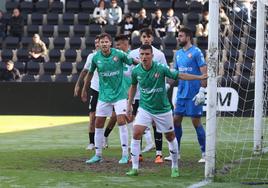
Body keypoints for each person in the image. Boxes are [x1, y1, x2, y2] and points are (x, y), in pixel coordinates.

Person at [126, 44, 208, 177]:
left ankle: (175, 167)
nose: (144, 57)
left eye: (147, 54)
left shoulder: (161, 68)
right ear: (139, 56)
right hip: (145, 108)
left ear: (152, 56)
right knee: (136, 133)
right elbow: (133, 87)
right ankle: (135, 168)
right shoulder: (136, 71)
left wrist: (199, 77)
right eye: (142, 54)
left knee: (170, 136)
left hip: (162, 110)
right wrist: (129, 105)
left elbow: (180, 75)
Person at [81, 33, 138, 164]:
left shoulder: (118, 54)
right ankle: (98, 154)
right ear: (99, 44)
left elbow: (132, 61)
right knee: (98, 123)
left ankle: (125, 155)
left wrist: (145, 67)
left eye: (106, 42)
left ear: (110, 43)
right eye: (102, 42)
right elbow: (89, 74)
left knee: (121, 121)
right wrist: (84, 89)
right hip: (104, 95)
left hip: (119, 95)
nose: (104, 44)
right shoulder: (96, 58)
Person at [164, 27, 207, 163]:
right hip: (181, 93)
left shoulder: (196, 52)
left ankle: (205, 153)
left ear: (188, 37)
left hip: (194, 93)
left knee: (196, 122)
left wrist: (202, 90)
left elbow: (204, 72)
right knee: (176, 120)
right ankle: (176, 153)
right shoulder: (178, 54)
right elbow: (175, 73)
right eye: (178, 36)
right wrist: (168, 85)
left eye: (181, 36)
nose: (178, 38)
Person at [128, 28, 168, 164]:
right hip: (139, 95)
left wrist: (166, 86)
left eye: (149, 36)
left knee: (156, 124)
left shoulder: (159, 54)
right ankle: (137, 154)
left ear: (152, 38)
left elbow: (166, 73)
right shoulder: (133, 53)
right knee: (137, 125)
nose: (146, 38)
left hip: (155, 95)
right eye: (144, 36)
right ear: (140, 38)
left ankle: (159, 154)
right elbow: (129, 74)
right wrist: (130, 98)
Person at [74, 35, 117, 150]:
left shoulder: (114, 55)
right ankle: (92, 142)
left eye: (100, 42)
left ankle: (105, 135)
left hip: (110, 90)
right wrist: (79, 86)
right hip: (96, 88)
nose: (98, 45)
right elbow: (85, 72)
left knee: (115, 116)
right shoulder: (92, 57)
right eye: (96, 43)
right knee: (92, 116)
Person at [103, 34, 135, 151]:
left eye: (118, 45)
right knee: (115, 117)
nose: (116, 47)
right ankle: (105, 136)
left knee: (129, 117)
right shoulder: (115, 56)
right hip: (118, 91)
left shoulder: (133, 56)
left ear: (125, 44)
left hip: (131, 91)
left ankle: (135, 143)